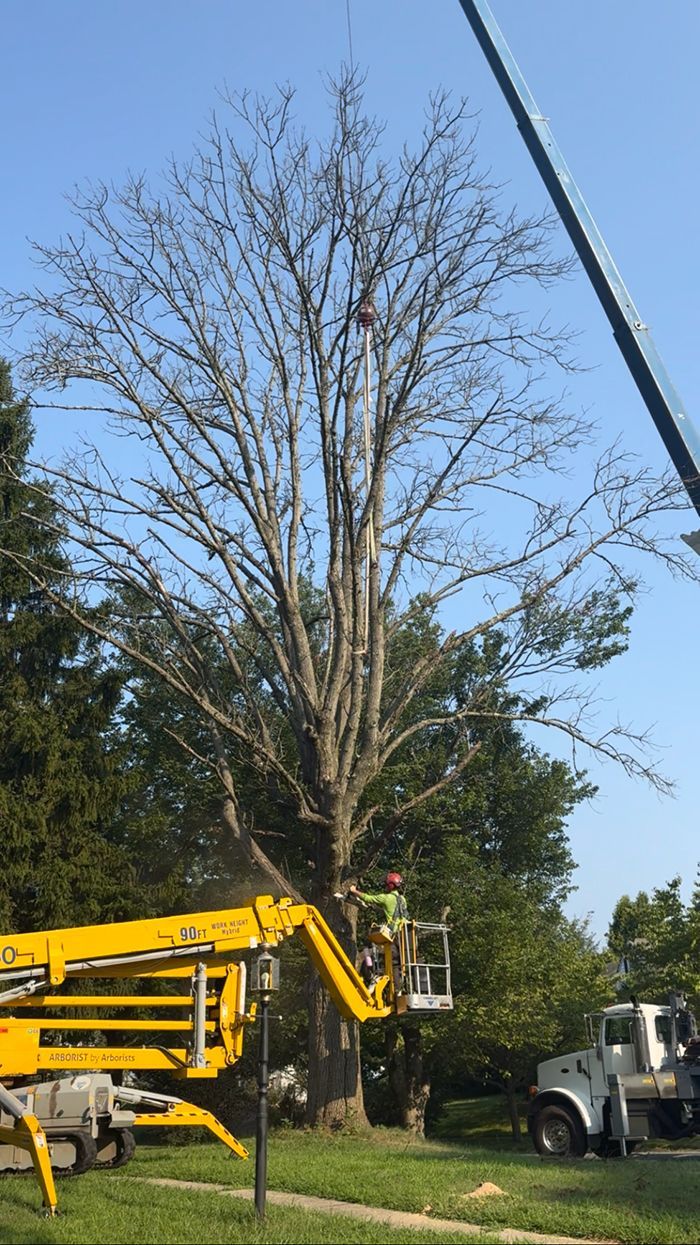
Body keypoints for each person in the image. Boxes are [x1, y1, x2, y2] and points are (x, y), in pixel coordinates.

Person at [349, 872, 408, 994]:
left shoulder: (386, 898)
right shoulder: (402, 900)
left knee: (366, 953)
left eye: (387, 885)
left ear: (391, 886)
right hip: (404, 937)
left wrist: (354, 891)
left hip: (392, 937)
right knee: (395, 963)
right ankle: (398, 990)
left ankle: (373, 977)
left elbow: (369, 898)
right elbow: (391, 912)